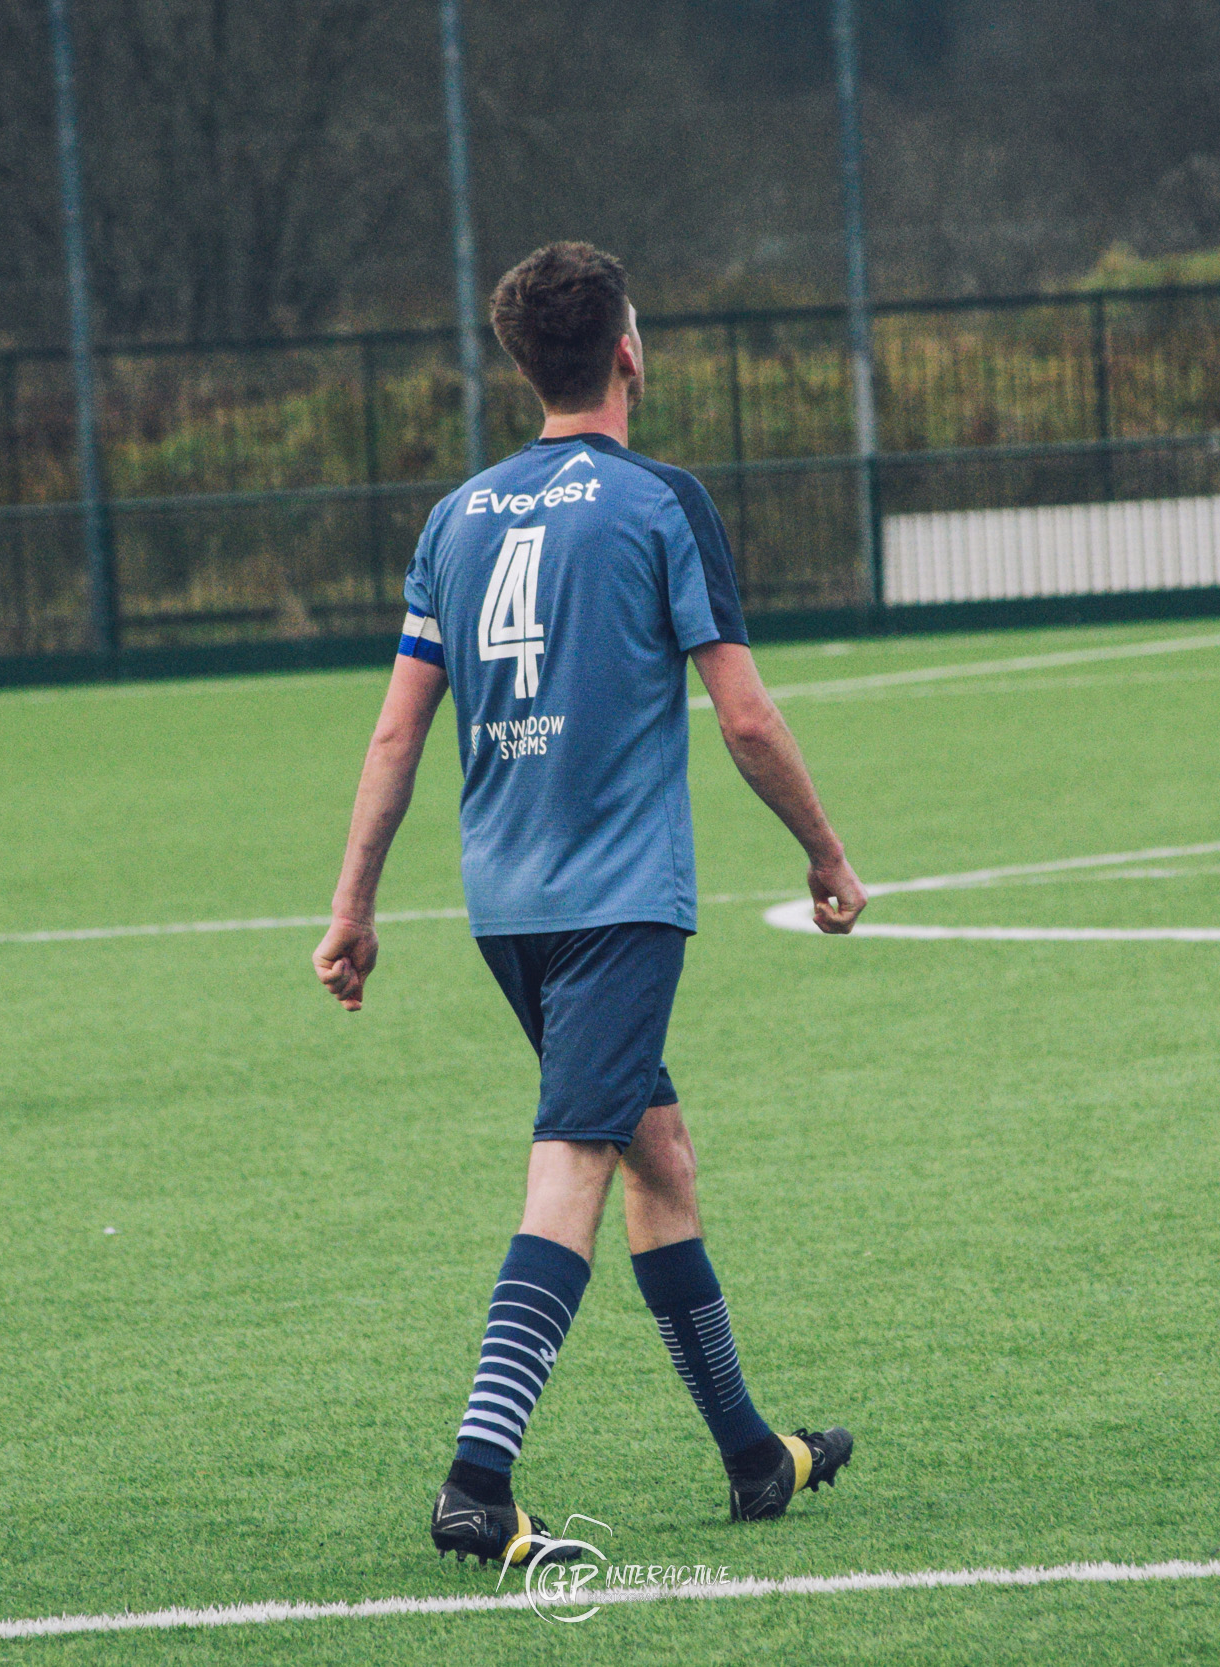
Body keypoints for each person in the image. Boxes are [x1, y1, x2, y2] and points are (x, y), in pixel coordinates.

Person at [312, 243, 866, 1567]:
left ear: (519, 366)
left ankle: (753, 1451)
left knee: (654, 1151)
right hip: (620, 901)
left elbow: (395, 740)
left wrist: (354, 904)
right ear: (629, 349)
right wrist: (826, 851)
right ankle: (477, 1481)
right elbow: (742, 713)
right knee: (570, 1162)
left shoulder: (456, 518)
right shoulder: (661, 502)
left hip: (505, 902)